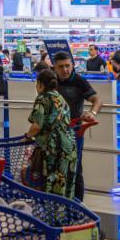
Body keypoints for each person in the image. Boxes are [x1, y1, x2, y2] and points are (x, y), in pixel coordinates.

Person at [52, 52, 103, 201]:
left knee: (75, 168)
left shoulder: (79, 81)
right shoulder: (51, 80)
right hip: (53, 132)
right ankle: (57, 202)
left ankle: (77, 205)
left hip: (74, 132)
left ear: (72, 65)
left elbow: (97, 100)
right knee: (54, 168)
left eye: (68, 66)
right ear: (54, 67)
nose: (65, 69)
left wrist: (92, 112)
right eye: (61, 67)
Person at [24, 69, 78, 198]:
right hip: (69, 147)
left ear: (41, 84)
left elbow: (37, 126)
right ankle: (66, 210)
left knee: (53, 185)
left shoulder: (43, 98)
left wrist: (27, 136)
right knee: (66, 186)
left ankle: (52, 211)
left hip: (54, 149)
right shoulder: (60, 97)